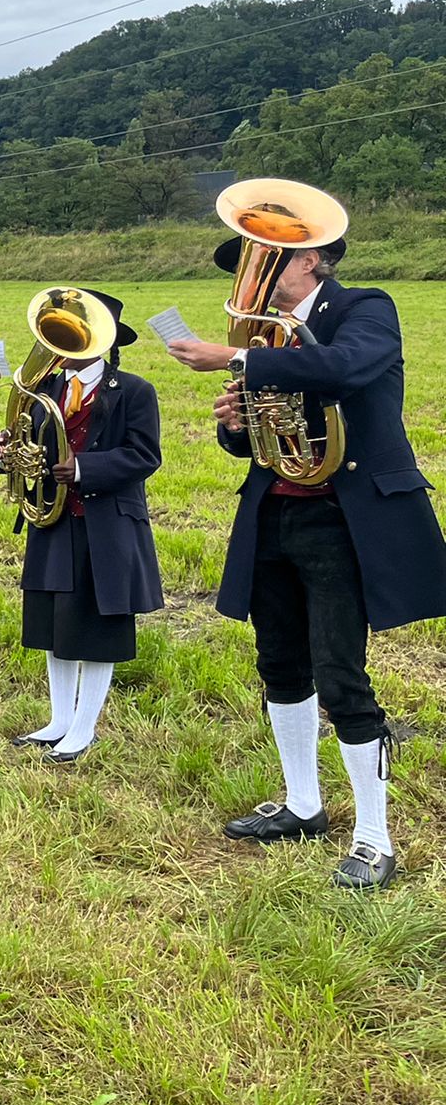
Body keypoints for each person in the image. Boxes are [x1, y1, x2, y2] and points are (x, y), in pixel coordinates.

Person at [166, 182, 446, 888]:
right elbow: (255, 443)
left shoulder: (365, 309)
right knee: (280, 664)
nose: (255, 276)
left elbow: (345, 367)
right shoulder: (264, 340)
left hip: (343, 518)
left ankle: (374, 838)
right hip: (276, 510)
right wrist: (236, 422)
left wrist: (238, 360)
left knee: (342, 677)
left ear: (312, 259)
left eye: (268, 258)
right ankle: (302, 805)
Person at [0, 291, 161, 764]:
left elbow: (145, 456)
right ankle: (59, 720)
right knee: (54, 623)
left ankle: (85, 728)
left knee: (97, 627)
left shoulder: (135, 390)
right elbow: (27, 447)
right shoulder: (43, 391)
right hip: (52, 519)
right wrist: (4, 451)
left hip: (106, 524)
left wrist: (83, 468)